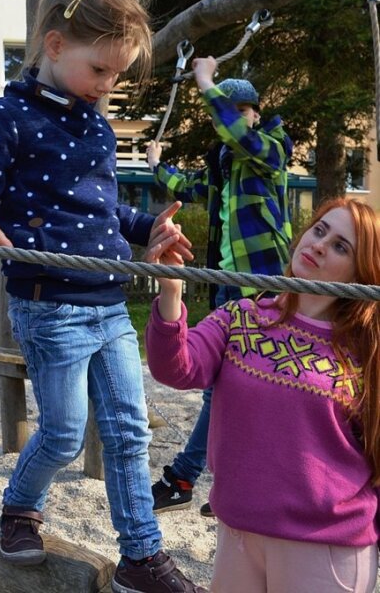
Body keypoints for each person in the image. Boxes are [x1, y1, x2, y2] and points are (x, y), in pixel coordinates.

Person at [0, 0, 204, 591]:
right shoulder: (8, 116)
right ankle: (21, 507)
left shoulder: (96, 123)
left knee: (130, 430)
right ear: (55, 47)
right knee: (61, 432)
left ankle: (140, 555)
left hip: (109, 304)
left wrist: (150, 228)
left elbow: (105, 209)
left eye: (116, 73)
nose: (108, 85)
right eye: (101, 69)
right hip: (50, 303)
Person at [144, 197, 379, 592]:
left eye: (342, 246)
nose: (320, 244)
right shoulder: (241, 317)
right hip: (238, 534)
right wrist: (171, 291)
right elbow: (177, 368)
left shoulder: (366, 351)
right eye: (319, 230)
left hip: (326, 548)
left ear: (362, 272)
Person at [145, 56, 294, 517]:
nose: (229, 124)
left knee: (235, 388)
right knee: (226, 385)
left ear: (252, 111)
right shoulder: (225, 164)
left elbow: (242, 136)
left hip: (264, 285)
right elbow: (188, 186)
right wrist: (155, 164)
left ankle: (187, 477)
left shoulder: (270, 148)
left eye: (238, 112)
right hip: (229, 290)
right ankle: (221, 479)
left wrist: (205, 81)